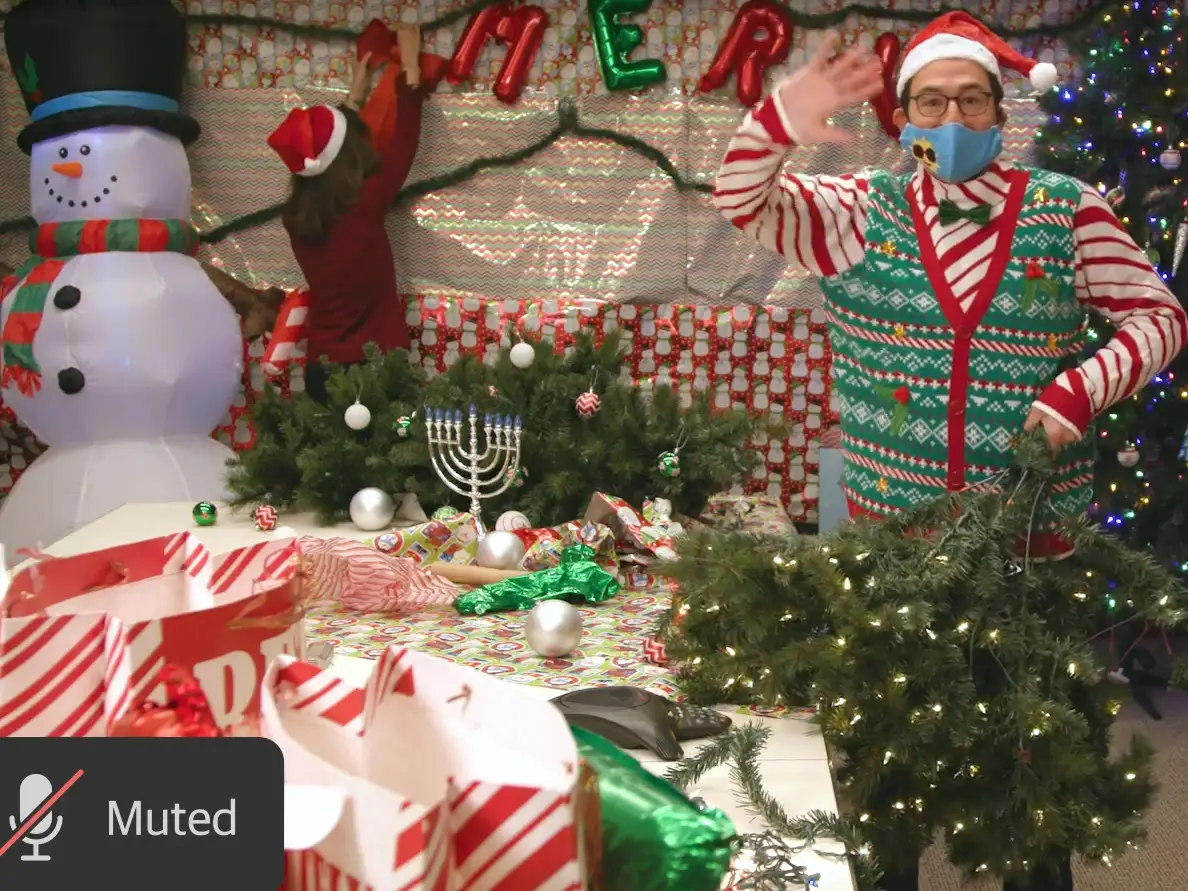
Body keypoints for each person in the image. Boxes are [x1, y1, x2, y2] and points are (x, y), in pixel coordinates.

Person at [712, 11, 1187, 891]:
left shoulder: (1066, 211)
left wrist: (1075, 392)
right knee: (888, 788)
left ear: (1001, 116)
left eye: (972, 102)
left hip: (1035, 556)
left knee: (1035, 787)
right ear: (906, 120)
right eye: (930, 103)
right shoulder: (857, 212)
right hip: (896, 559)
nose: (953, 122)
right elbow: (741, 197)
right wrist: (788, 110)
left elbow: (1160, 316)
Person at [266, 25, 429, 403]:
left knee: (326, 460)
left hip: (322, 370)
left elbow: (326, 149)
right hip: (380, 366)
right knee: (394, 455)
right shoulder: (366, 203)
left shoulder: (295, 218)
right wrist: (411, 66)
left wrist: (357, 90)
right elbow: (405, 139)